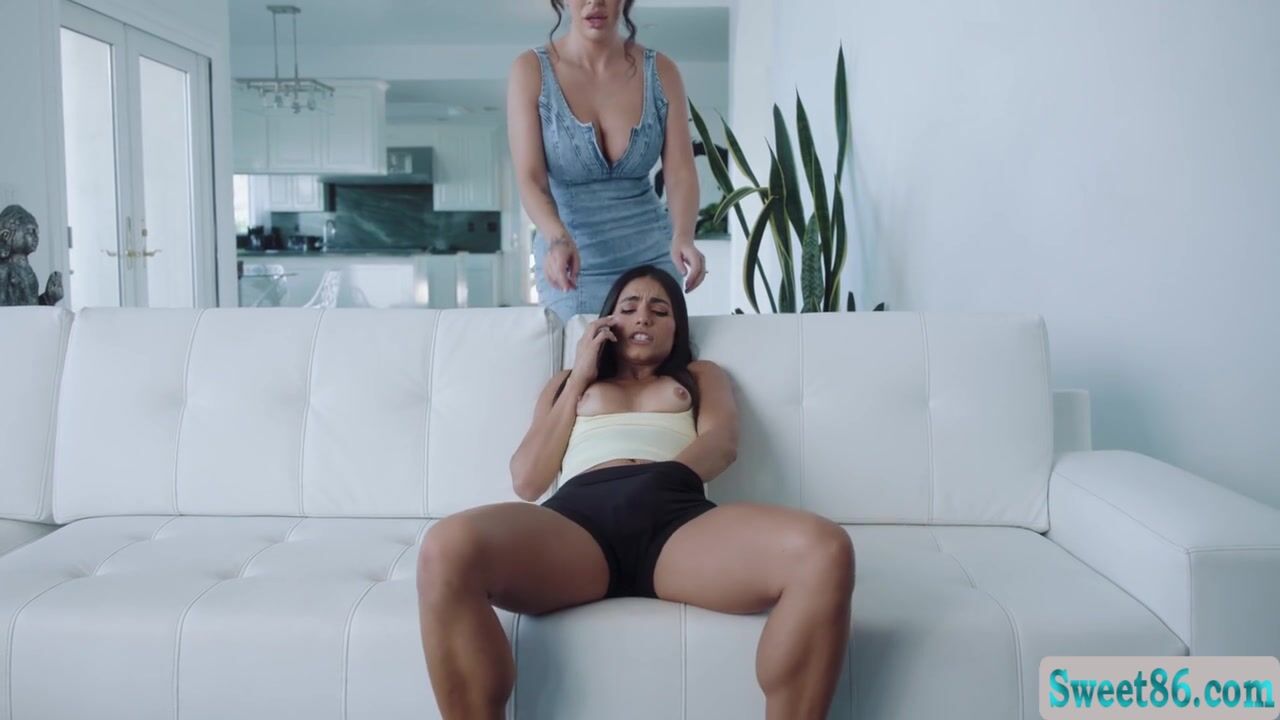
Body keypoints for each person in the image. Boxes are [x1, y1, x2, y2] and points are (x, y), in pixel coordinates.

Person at [417, 265, 856, 720]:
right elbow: (527, 479)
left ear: (676, 328)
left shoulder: (700, 374)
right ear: (607, 323)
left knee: (823, 550)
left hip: (677, 518)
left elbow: (722, 442)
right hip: (576, 526)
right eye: (629, 308)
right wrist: (580, 377)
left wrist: (658, 481)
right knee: (446, 548)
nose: (643, 316)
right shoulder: (567, 383)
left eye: (659, 311)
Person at [508, 0, 708, 324]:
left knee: (655, 354)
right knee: (583, 354)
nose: (594, 3)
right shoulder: (530, 71)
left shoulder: (662, 71)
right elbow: (530, 178)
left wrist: (683, 235)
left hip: (651, 256)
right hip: (572, 258)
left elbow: (680, 173)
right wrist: (557, 238)